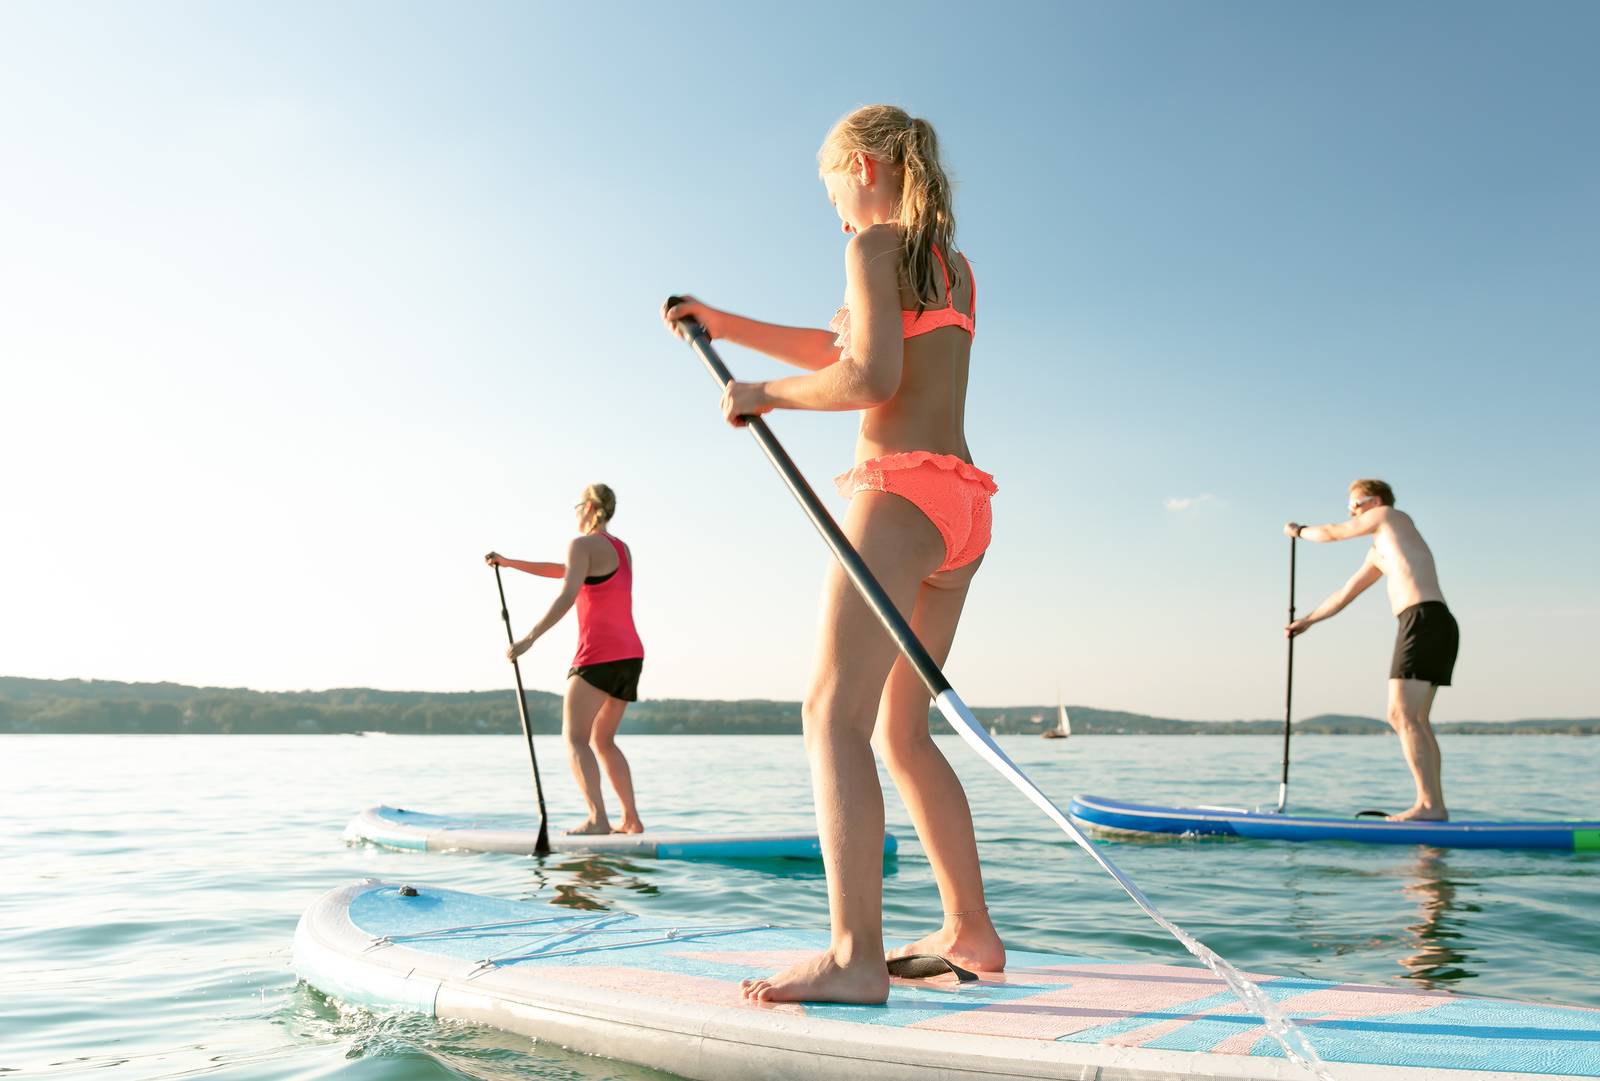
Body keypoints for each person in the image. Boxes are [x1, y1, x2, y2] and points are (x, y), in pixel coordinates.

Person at [662, 105, 1003, 1004]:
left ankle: (855, 954)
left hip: (898, 494)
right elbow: (846, 341)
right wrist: (725, 323)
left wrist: (762, 395)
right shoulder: (950, 264)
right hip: (964, 507)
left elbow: (866, 377)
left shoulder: (871, 246)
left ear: (860, 164)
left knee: (830, 716)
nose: (840, 223)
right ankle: (971, 925)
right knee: (898, 726)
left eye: (835, 200)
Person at [1284, 478, 1459, 822]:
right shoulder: (1381, 550)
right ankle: (1434, 807)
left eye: (1356, 504)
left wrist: (1299, 531)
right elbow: (1345, 593)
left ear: (1375, 501)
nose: (1351, 512)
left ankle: (1429, 806)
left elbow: (1334, 532)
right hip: (1430, 623)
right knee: (1415, 719)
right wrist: (1308, 620)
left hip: (1424, 620)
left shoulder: (1391, 517)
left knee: (1402, 715)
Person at [486, 483, 645, 835]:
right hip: (630, 654)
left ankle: (597, 819)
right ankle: (631, 820)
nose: (574, 512)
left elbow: (568, 593)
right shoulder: (621, 549)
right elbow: (564, 570)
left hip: (599, 654)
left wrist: (529, 638)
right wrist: (510, 563)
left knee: (575, 738)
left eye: (576, 505)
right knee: (603, 740)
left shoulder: (582, 544)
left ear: (589, 507)